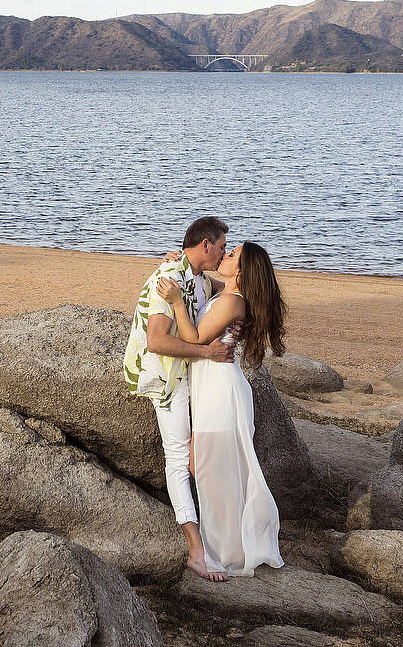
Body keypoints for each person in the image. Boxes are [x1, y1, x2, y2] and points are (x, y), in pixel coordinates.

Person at [156, 241, 286, 577]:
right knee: (202, 466)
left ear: (242, 271)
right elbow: (208, 282)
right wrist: (181, 260)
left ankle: (226, 553)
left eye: (232, 256)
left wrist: (175, 304)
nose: (224, 257)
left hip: (220, 390)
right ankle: (227, 545)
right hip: (210, 387)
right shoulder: (227, 292)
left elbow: (195, 337)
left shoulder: (232, 302)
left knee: (210, 469)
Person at [122, 216, 241, 581]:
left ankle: (224, 532)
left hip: (194, 377)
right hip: (166, 378)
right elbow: (156, 342)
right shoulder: (170, 279)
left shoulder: (202, 277)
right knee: (179, 459)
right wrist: (208, 353)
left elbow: (237, 289)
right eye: (222, 246)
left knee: (198, 458)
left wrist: (237, 316)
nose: (224, 253)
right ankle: (196, 552)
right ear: (205, 245)